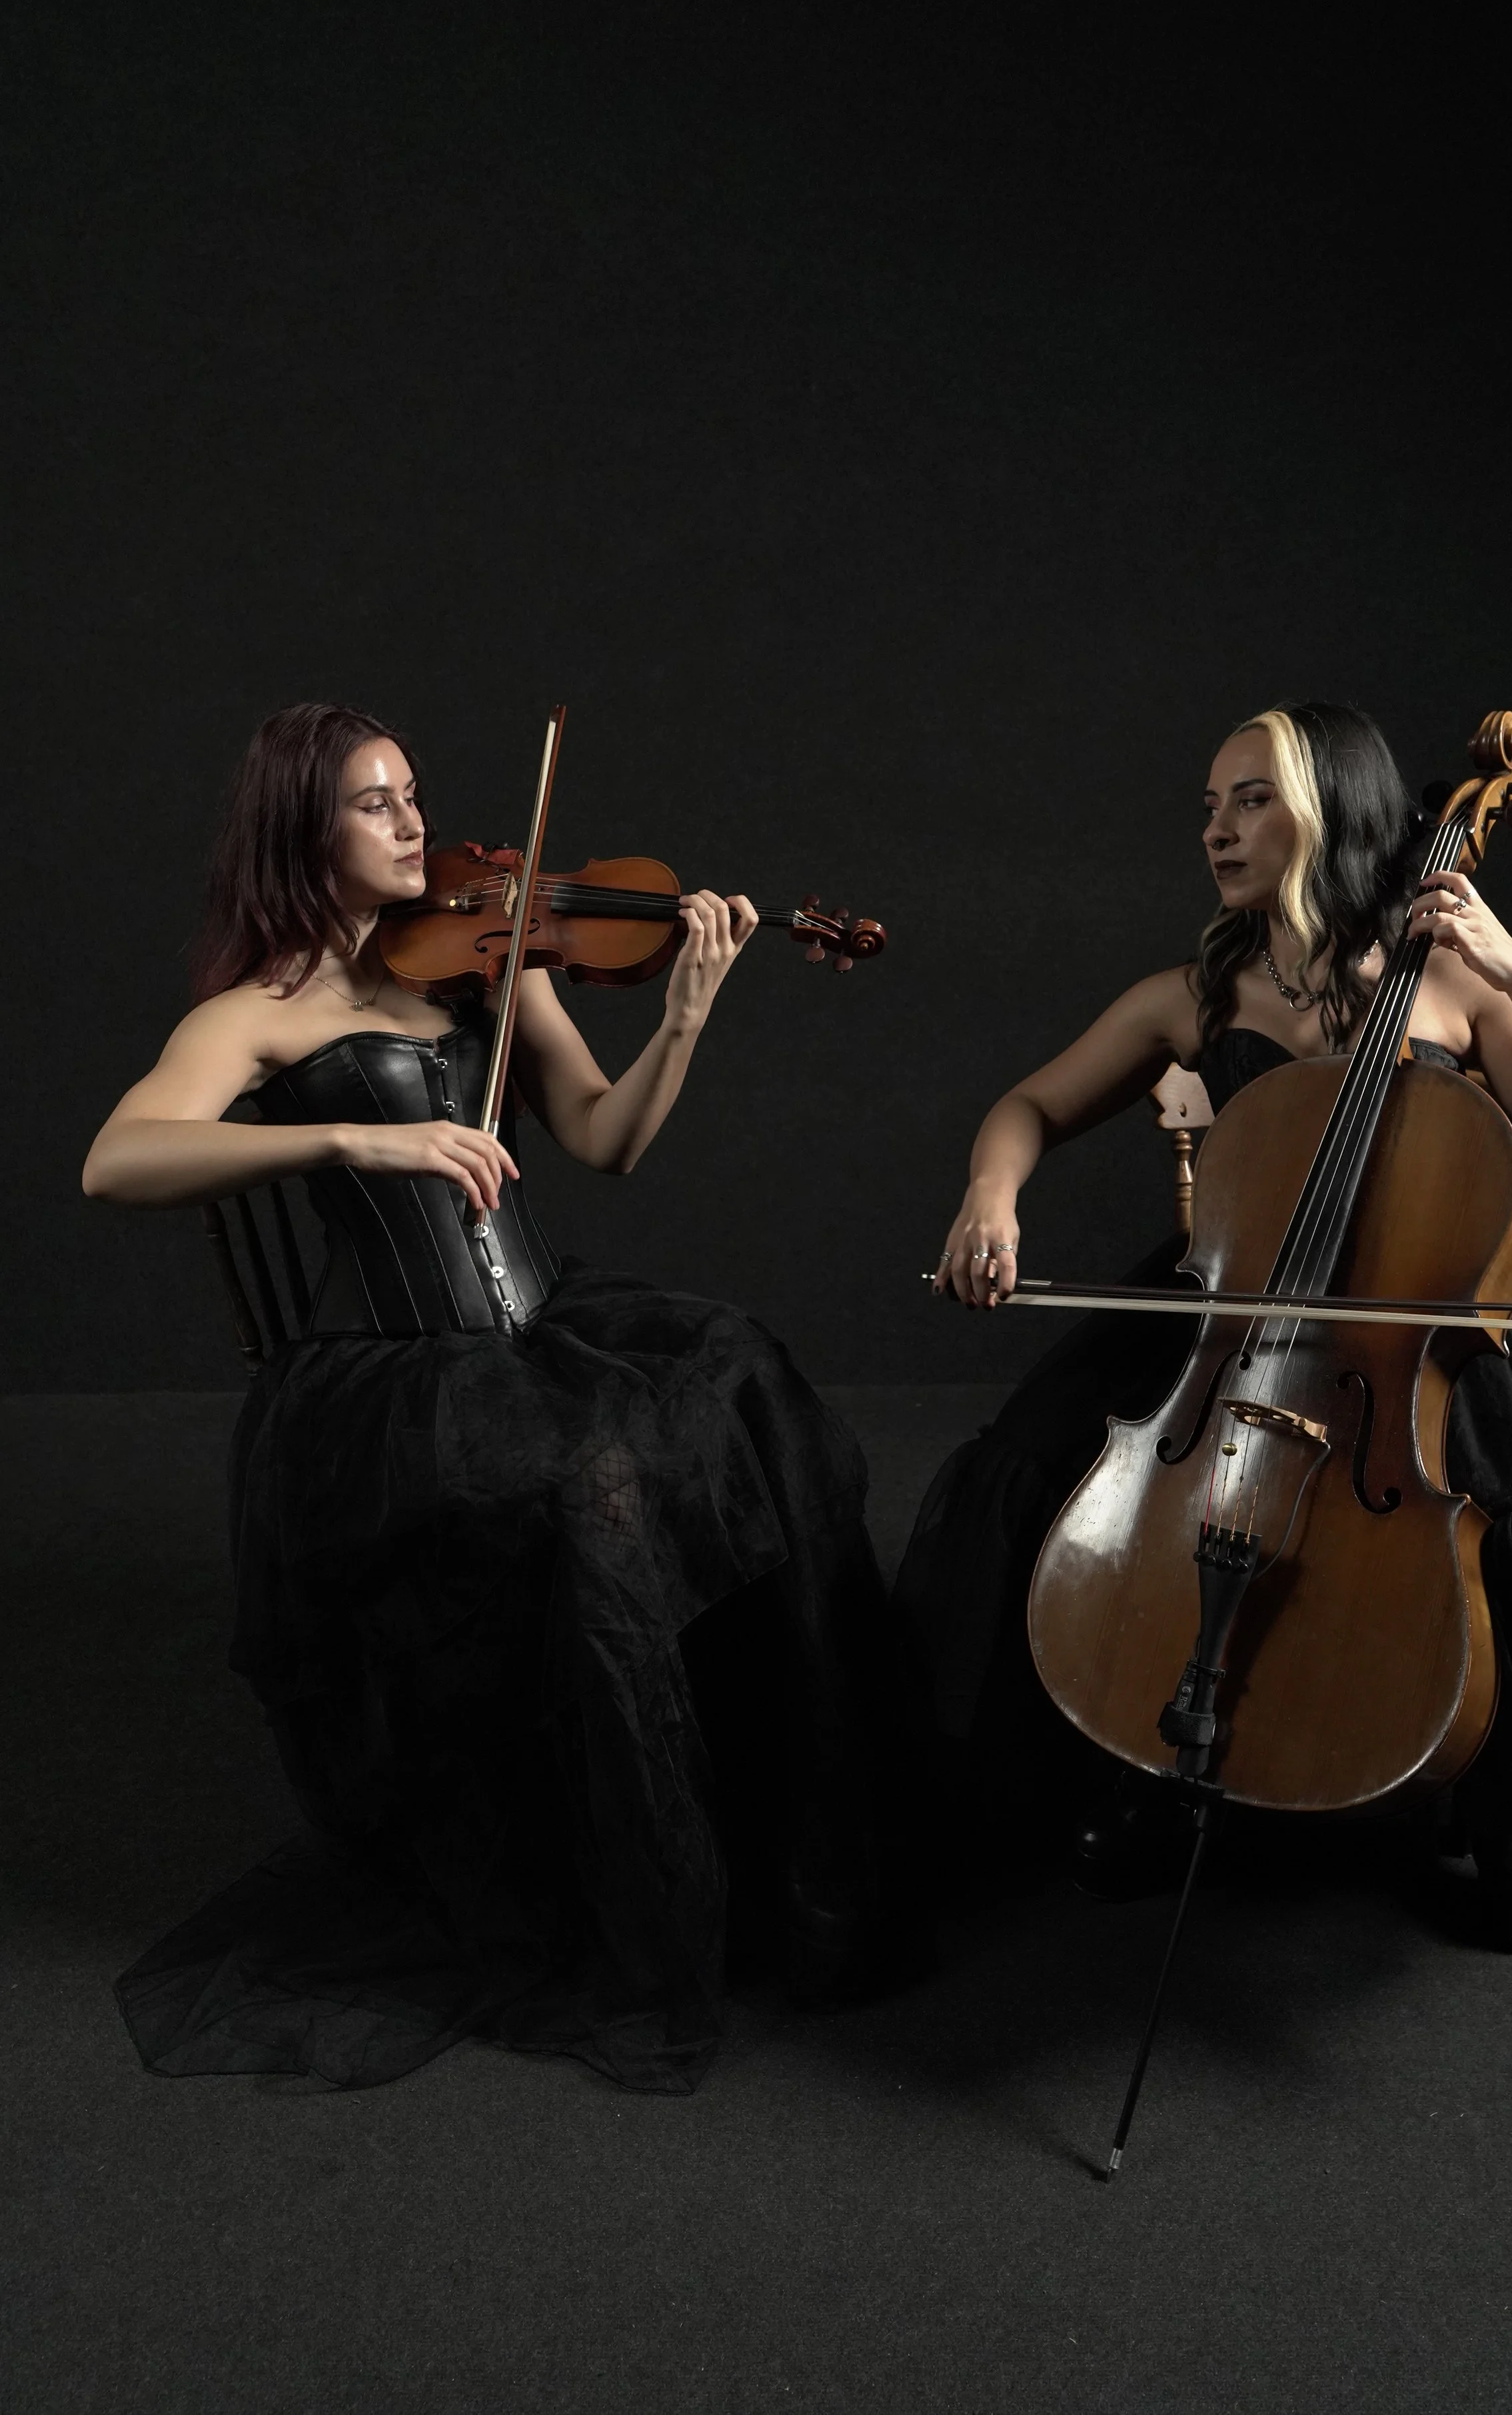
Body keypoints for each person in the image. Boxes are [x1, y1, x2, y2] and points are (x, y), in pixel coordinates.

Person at [84, 701, 902, 2093]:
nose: (415, 824)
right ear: (303, 830)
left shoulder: (493, 960)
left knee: (736, 1388)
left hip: (537, 1330)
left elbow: (607, 1140)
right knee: (592, 1491)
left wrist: (687, 1015)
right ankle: (591, 1864)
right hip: (393, 1382)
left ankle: (756, 1825)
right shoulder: (261, 1014)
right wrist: (356, 1133)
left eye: (412, 794)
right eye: (373, 803)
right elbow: (115, 1160)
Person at [900, 701, 1512, 1948]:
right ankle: (1153, 1758)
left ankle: (1501, 1797)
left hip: (1417, 1323)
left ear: (1331, 805)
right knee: (1055, 1459)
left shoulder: (1456, 986)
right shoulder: (1195, 997)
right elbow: (1028, 1106)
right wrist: (990, 1197)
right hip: (1244, 1303)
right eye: (1208, 805)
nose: (1216, 828)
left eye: (1247, 798)